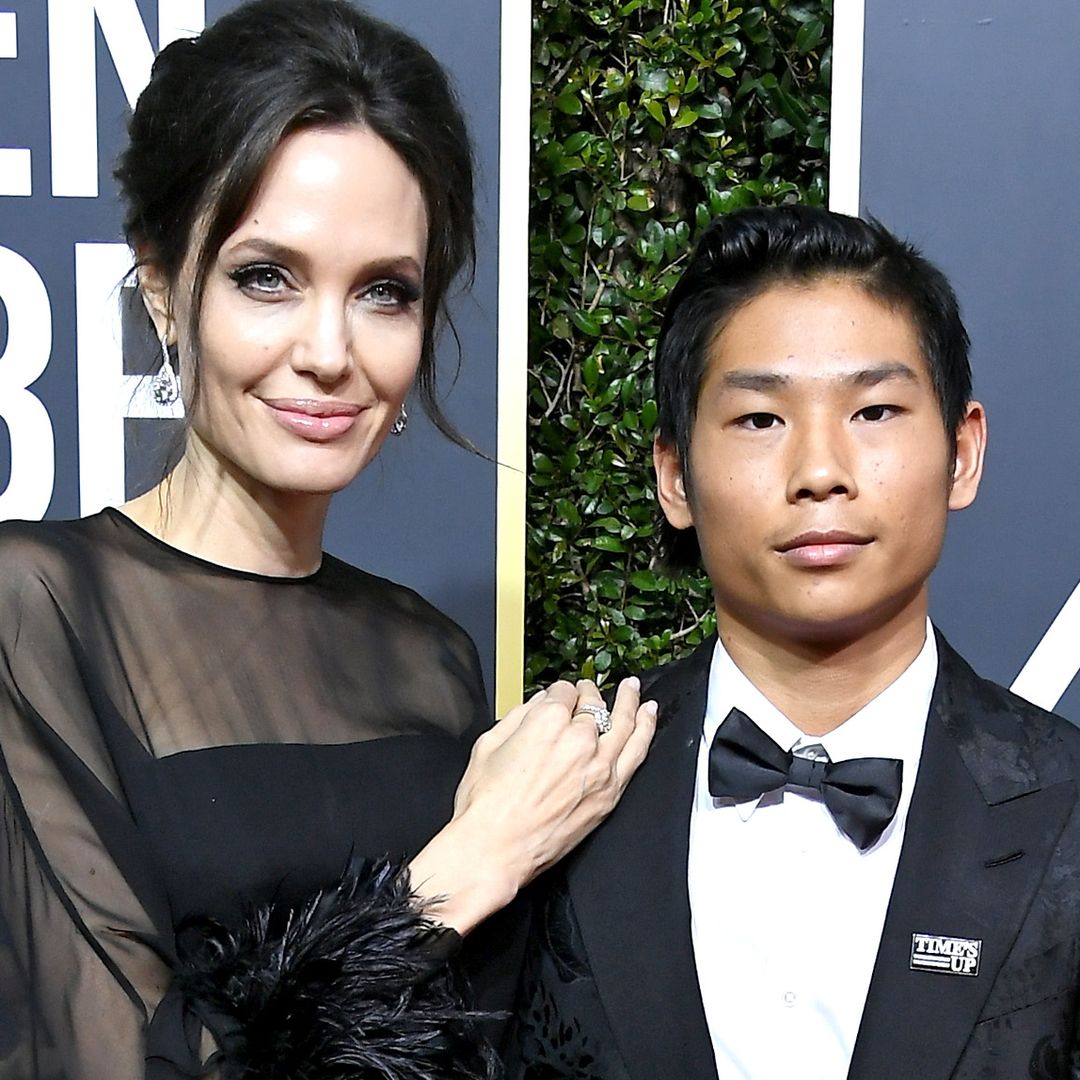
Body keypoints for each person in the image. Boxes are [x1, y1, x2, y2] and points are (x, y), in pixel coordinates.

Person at [0, 2, 657, 1077]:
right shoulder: (35, 611)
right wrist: (467, 868)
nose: (328, 351)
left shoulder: (425, 651)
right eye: (268, 276)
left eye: (384, 293)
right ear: (165, 287)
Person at [509, 206, 1080, 1079]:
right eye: (760, 420)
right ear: (674, 475)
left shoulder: (1067, 808)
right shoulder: (560, 788)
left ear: (961, 453)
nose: (820, 470)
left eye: (876, 410)